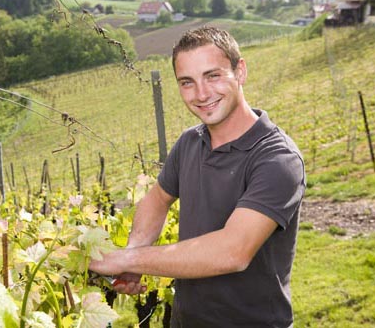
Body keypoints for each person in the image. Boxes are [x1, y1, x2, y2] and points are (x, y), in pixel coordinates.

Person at [89, 26, 306, 327]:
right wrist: (133, 250)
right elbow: (157, 199)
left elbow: (233, 251)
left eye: (213, 76)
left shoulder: (277, 159)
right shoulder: (190, 142)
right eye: (187, 82)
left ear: (240, 71)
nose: (201, 94)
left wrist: (127, 260)